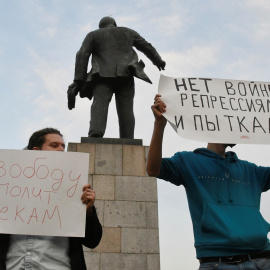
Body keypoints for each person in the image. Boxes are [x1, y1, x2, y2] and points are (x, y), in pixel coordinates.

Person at [147, 94, 270, 270]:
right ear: (214, 123)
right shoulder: (187, 162)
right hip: (215, 262)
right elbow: (152, 169)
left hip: (263, 260)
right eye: (232, 120)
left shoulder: (252, 171)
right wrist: (159, 125)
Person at [0, 128, 102, 270]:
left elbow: (92, 241)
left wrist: (88, 212)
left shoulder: (75, 188)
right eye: (54, 145)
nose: (61, 150)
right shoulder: (7, 186)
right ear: (36, 151)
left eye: (63, 146)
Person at [68, 16, 166, 139]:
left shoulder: (93, 35)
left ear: (101, 27)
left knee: (99, 104)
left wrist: (78, 79)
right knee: (126, 108)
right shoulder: (128, 32)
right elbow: (146, 46)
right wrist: (158, 60)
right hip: (125, 74)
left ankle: (95, 133)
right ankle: (127, 138)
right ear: (114, 24)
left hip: (102, 75)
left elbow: (82, 54)